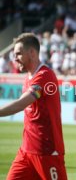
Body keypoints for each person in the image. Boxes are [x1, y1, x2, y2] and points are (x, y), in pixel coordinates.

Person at [0, 33, 67, 180]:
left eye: (18, 53)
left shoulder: (45, 76)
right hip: (26, 151)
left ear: (31, 53)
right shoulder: (28, 77)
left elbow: (22, 103)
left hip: (47, 151)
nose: (15, 58)